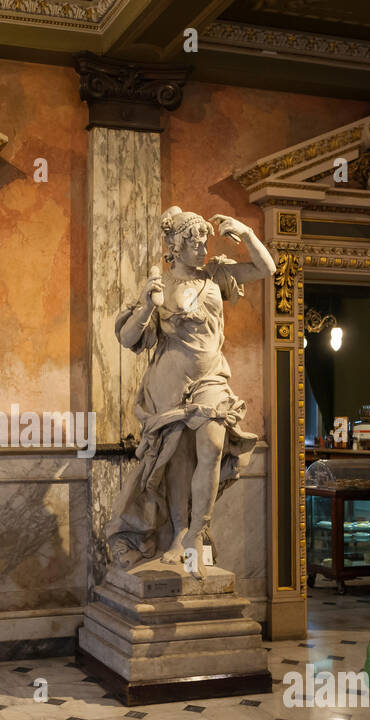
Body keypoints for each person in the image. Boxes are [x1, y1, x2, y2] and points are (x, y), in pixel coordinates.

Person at [105, 206, 275, 578]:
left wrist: (246, 233)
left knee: (212, 446)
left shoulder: (216, 274)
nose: (202, 249)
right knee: (177, 460)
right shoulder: (159, 285)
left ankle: (197, 532)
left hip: (212, 377)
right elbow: (127, 338)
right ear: (175, 248)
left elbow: (267, 268)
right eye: (193, 243)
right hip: (169, 383)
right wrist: (147, 306)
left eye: (204, 242)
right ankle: (180, 531)